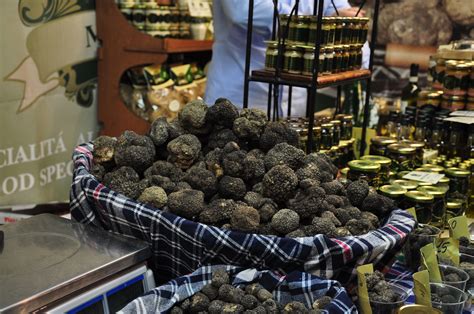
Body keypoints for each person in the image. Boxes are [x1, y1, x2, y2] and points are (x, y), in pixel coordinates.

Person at [204, 0, 368, 116]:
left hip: (295, 103)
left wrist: (359, 54)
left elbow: (347, 18)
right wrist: (318, 23)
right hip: (238, 98)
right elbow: (244, 11)